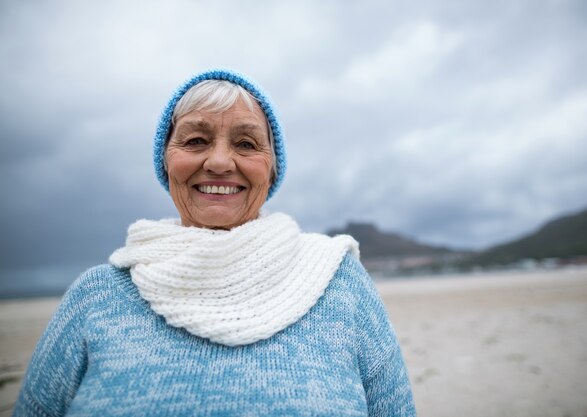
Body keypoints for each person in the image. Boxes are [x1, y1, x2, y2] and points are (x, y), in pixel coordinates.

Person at [13, 69, 417, 416]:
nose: (221, 162)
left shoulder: (339, 283)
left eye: (245, 143)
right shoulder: (96, 297)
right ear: (165, 161)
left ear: (271, 169)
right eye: (195, 141)